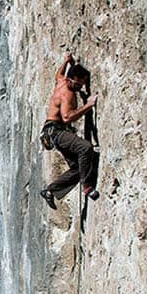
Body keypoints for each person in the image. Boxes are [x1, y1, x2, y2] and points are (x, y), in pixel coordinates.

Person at [40, 53, 100, 210]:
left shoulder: (62, 81)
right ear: (72, 79)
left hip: (52, 132)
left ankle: (50, 190)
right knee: (85, 148)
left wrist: (66, 61)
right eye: (79, 84)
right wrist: (88, 105)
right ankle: (87, 187)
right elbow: (67, 117)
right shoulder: (67, 93)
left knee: (78, 167)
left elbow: (58, 74)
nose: (81, 88)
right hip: (57, 131)